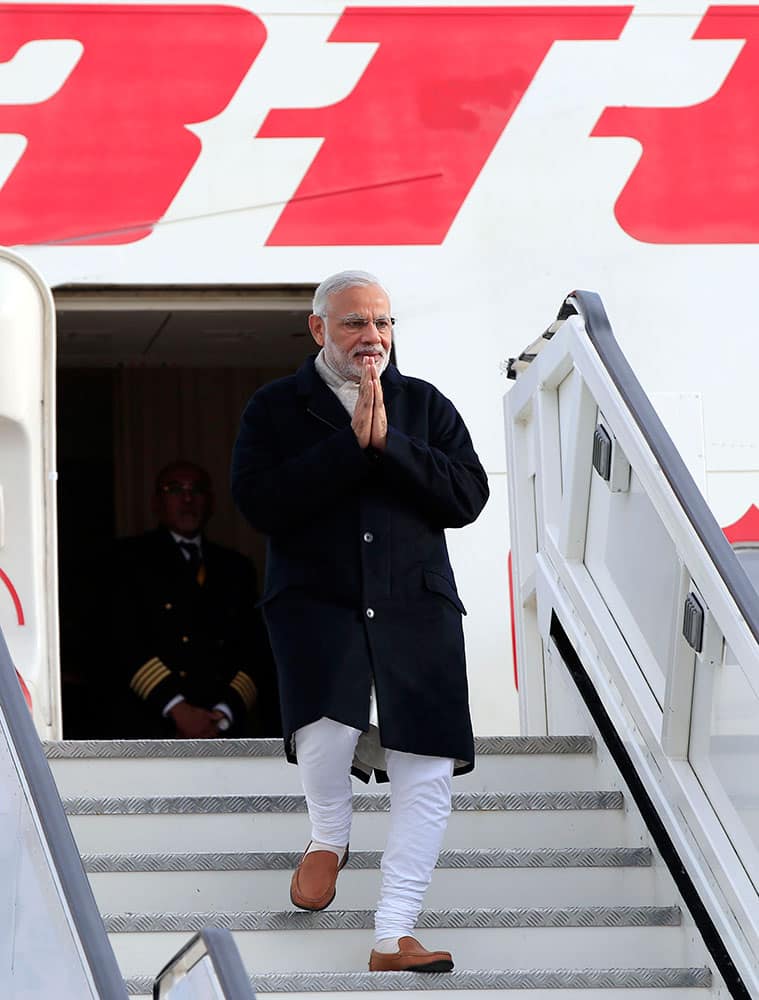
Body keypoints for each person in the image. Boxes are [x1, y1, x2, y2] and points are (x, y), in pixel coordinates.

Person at [231, 271, 489, 972]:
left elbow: (467, 496)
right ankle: (328, 835)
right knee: (327, 729)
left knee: (425, 766)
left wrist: (390, 445)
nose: (371, 336)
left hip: (416, 603)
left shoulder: (423, 404)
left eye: (381, 322)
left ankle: (392, 934)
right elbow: (259, 503)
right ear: (319, 330)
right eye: (353, 323)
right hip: (315, 598)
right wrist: (348, 446)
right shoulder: (275, 408)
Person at [111, 460, 279, 739]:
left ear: (211, 502)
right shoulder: (129, 560)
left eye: (197, 490)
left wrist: (224, 713)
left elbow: (254, 648)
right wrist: (177, 709)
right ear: (156, 502)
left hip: (223, 728)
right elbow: (123, 641)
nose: (188, 498)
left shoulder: (236, 568)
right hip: (154, 726)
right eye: (175, 489)